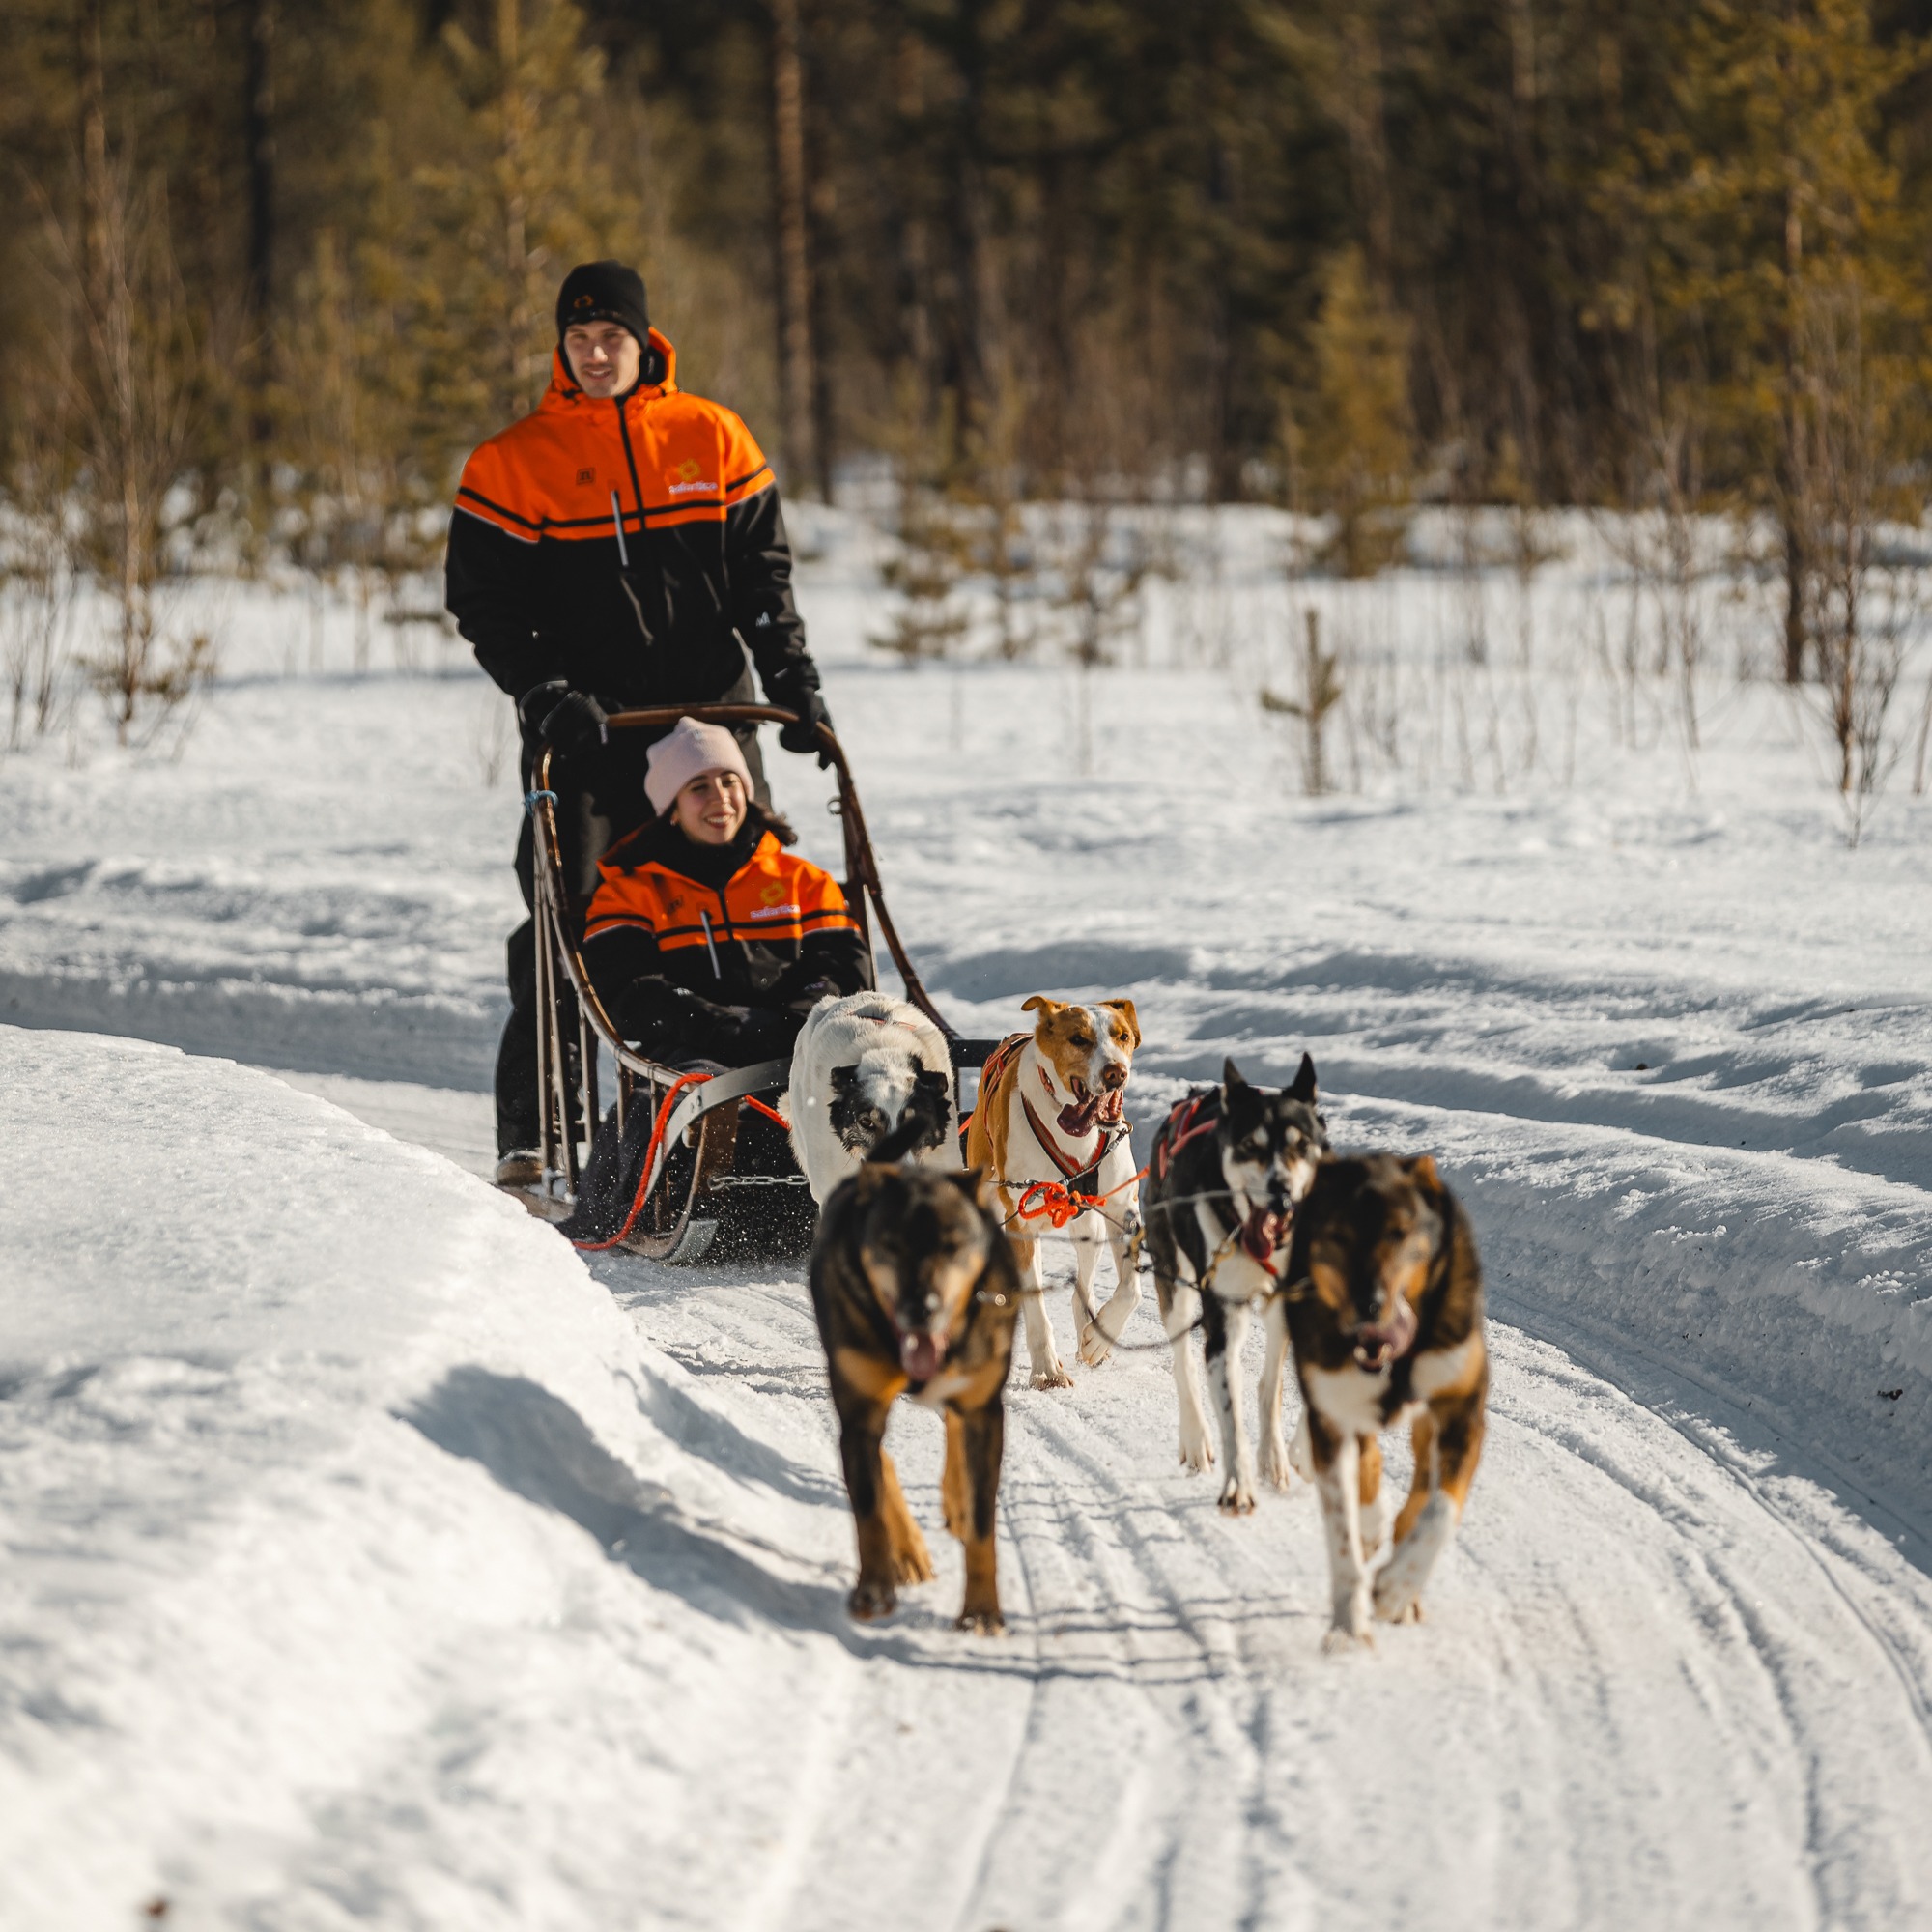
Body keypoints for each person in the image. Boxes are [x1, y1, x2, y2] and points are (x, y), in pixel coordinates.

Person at [444, 260, 835, 1183]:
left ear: (644, 340)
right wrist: (543, 692)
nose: (594, 355)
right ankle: (539, 1133)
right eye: (577, 340)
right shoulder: (512, 462)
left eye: (610, 337)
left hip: (712, 717)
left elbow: (762, 583)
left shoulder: (713, 436)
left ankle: (772, 1102)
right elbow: (485, 604)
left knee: (751, 891)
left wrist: (795, 687)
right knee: (570, 912)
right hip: (588, 730)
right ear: (561, 348)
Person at [581, 718, 870, 1066]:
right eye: (698, 787)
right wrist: (716, 1026)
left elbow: (844, 969)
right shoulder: (630, 893)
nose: (720, 798)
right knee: (699, 1103)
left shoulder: (802, 881)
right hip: (689, 1055)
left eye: (729, 781)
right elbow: (628, 990)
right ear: (672, 808)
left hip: (803, 1048)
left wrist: (800, 1021)